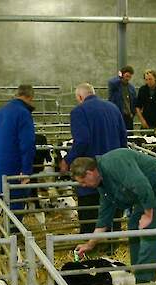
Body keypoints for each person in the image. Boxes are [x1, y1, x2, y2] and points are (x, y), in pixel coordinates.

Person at [71, 150, 156, 284]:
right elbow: (104, 219)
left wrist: (148, 214)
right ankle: (137, 272)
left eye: (83, 182)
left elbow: (140, 184)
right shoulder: (103, 185)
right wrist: (89, 244)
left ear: (90, 173)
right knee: (134, 226)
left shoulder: (114, 163)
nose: (83, 186)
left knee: (150, 231)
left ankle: (144, 283)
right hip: (146, 193)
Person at [61, 82, 128, 234]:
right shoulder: (113, 108)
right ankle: (112, 243)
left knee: (90, 209)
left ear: (79, 97)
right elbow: (123, 137)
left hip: (89, 171)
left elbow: (82, 140)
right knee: (112, 205)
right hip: (113, 169)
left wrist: (67, 160)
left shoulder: (79, 111)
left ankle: (90, 244)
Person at [0, 84, 36, 213]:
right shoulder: (23, 113)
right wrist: (26, 171)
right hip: (15, 169)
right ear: (30, 97)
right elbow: (27, 143)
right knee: (16, 209)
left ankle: (7, 231)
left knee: (5, 207)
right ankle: (13, 232)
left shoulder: (0, 112)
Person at [107, 65, 137, 131]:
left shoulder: (131, 88)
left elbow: (134, 102)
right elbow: (111, 82)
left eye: (129, 77)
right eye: (126, 76)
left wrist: (133, 113)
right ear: (122, 75)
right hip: (117, 114)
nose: (127, 79)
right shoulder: (115, 85)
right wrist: (119, 77)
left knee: (129, 135)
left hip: (128, 116)